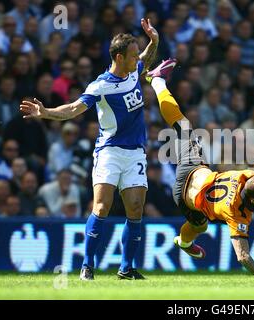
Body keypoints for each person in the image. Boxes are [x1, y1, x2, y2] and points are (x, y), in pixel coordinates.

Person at [145, 58, 254, 280]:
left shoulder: (249, 177)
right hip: (185, 194)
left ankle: (158, 83)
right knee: (199, 225)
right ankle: (185, 242)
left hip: (194, 169)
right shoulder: (236, 213)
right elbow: (243, 257)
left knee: (183, 126)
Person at [19, 19, 159, 281]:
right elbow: (73, 109)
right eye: (132, 55)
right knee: (102, 206)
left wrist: (154, 41)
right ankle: (87, 266)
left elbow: (145, 58)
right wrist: (46, 112)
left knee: (136, 208)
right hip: (109, 151)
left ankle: (126, 268)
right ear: (119, 57)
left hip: (136, 152)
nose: (137, 59)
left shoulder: (132, 70)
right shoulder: (100, 86)